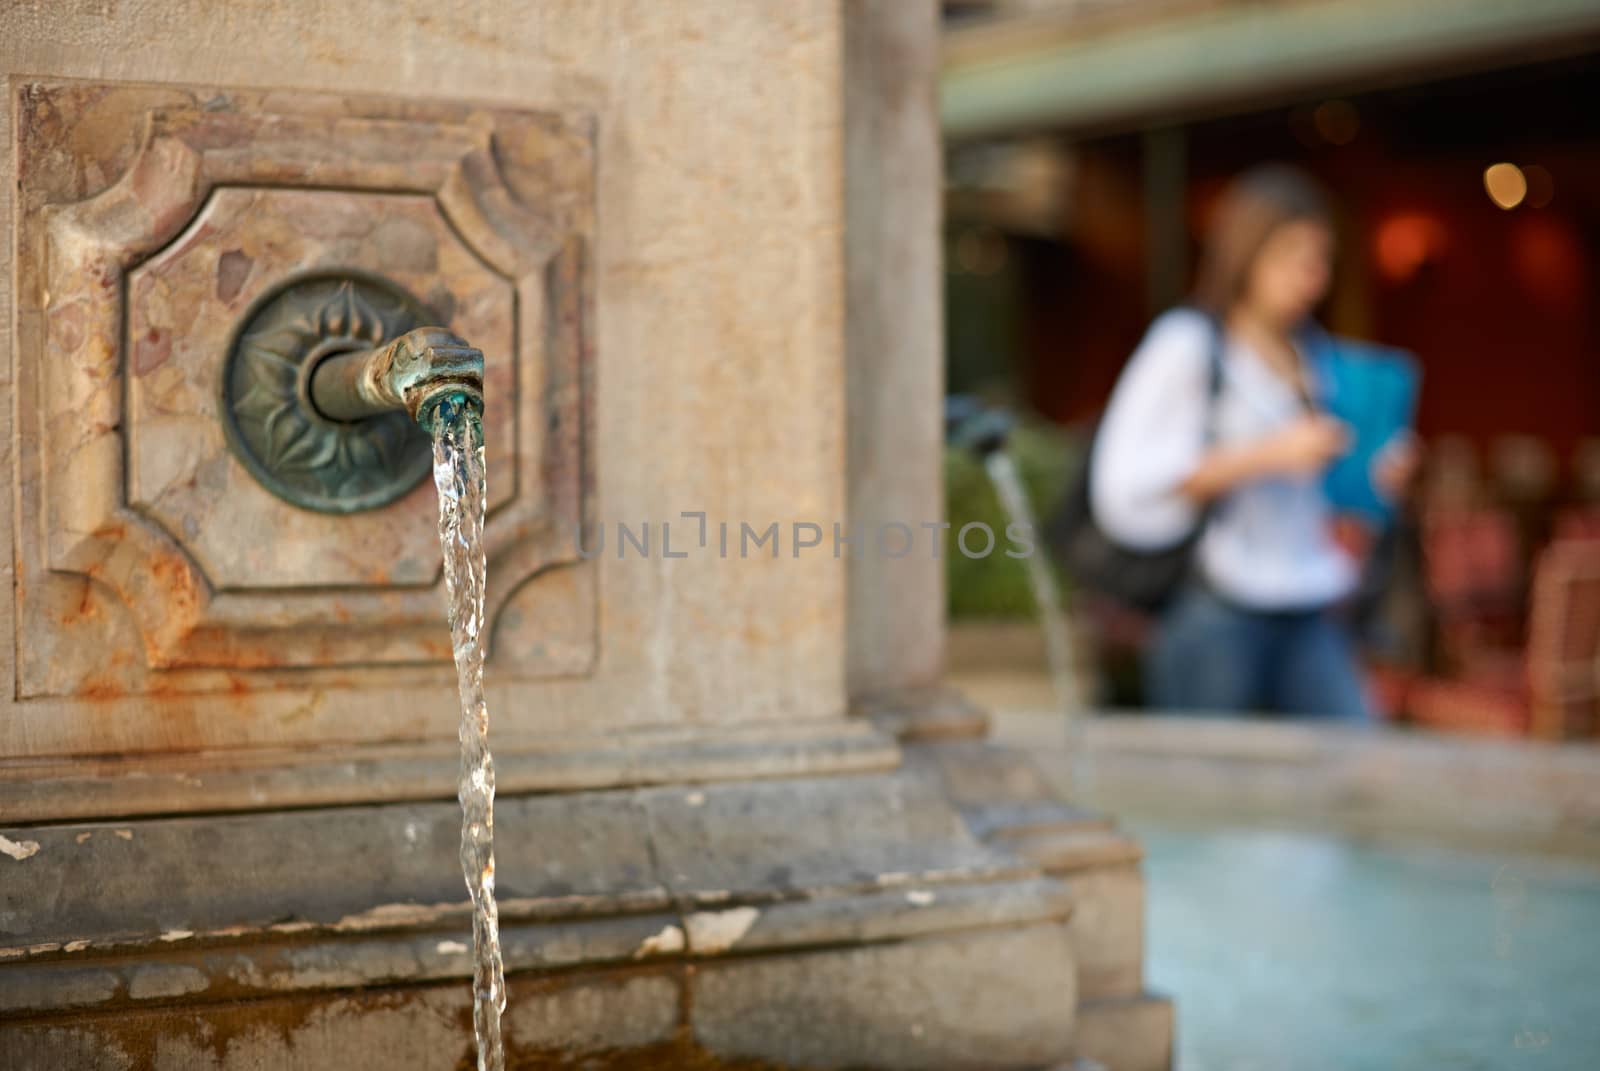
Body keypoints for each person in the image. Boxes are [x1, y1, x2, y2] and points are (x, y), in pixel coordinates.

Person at [1090, 165, 1414, 719]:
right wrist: (1268, 455)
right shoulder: (1190, 344)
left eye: (1319, 259)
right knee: (1211, 787)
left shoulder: (1318, 358)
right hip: (1218, 603)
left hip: (1309, 598)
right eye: (1291, 255)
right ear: (1247, 252)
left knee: (1353, 768)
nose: (1308, 277)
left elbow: (1330, 493)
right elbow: (1128, 482)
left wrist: (1378, 474)